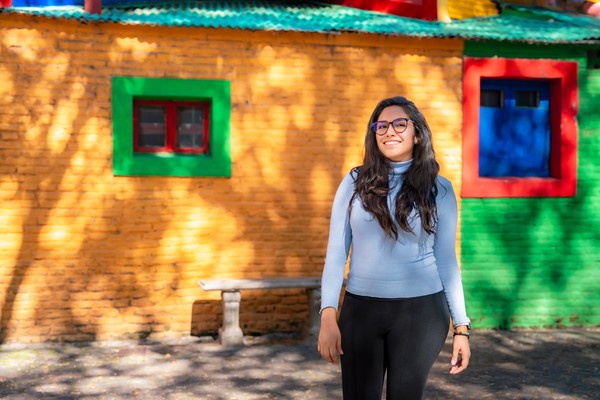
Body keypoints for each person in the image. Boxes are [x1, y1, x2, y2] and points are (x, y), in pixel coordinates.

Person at [318, 96, 471, 400]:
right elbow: (336, 253)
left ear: (417, 134)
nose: (389, 131)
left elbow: (446, 262)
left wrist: (462, 329)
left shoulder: (439, 189)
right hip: (361, 312)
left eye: (400, 123)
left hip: (422, 313)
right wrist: (327, 314)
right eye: (382, 126)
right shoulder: (353, 183)